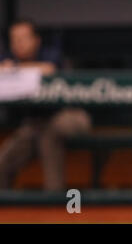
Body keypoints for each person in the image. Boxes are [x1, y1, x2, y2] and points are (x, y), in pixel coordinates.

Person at [0, 20, 91, 191]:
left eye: (23, 38)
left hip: (68, 115)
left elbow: (49, 69)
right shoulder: (7, 58)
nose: (19, 43)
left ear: (36, 40)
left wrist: (14, 71)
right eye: (15, 39)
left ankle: (54, 198)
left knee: (49, 134)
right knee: (4, 161)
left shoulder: (50, 54)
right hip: (35, 124)